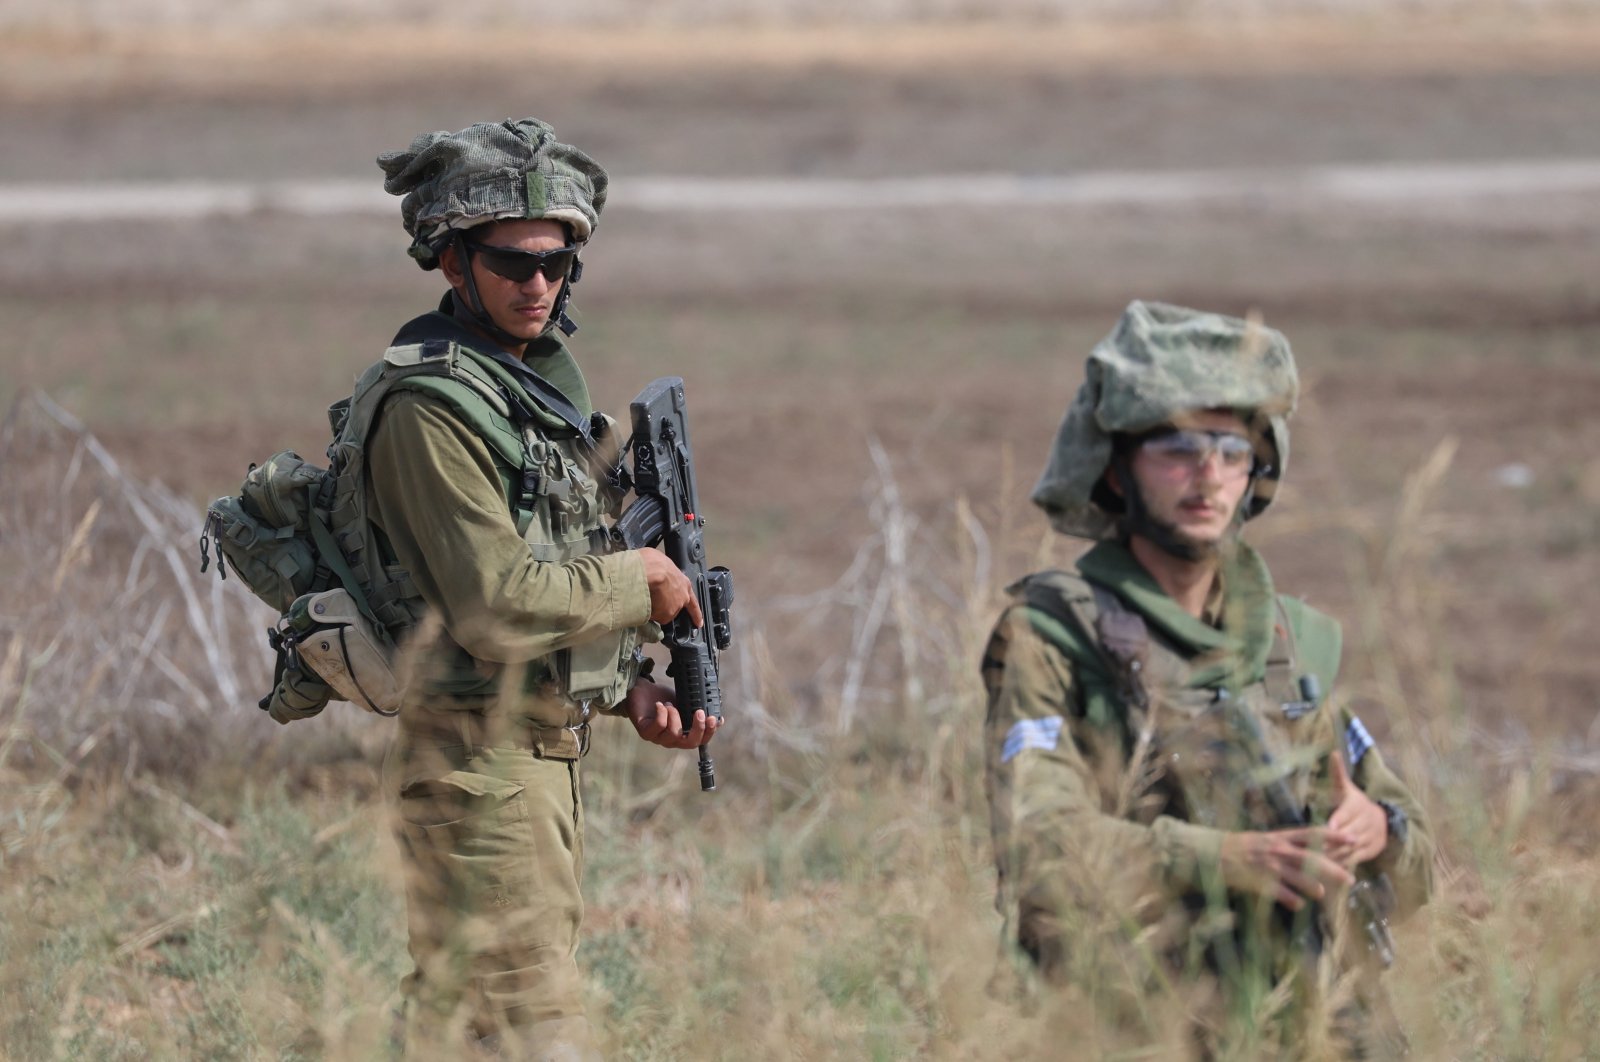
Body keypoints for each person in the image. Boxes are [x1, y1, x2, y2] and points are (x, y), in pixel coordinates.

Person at [982, 301, 1433, 1056]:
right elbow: (1038, 850)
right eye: (1178, 448)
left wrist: (1379, 831)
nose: (1208, 475)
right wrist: (1223, 860)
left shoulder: (1290, 641)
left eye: (1232, 450)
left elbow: (1423, 872)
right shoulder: (1051, 635)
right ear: (1117, 470)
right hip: (1142, 1027)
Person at [365, 118, 719, 1059]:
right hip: (478, 775)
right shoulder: (430, 407)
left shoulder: (525, 392)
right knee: (529, 1035)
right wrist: (636, 578)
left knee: (457, 1031)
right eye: (512, 264)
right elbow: (495, 601)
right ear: (451, 262)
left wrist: (621, 689)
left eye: (558, 265)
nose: (538, 285)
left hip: (528, 766)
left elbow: (547, 590)